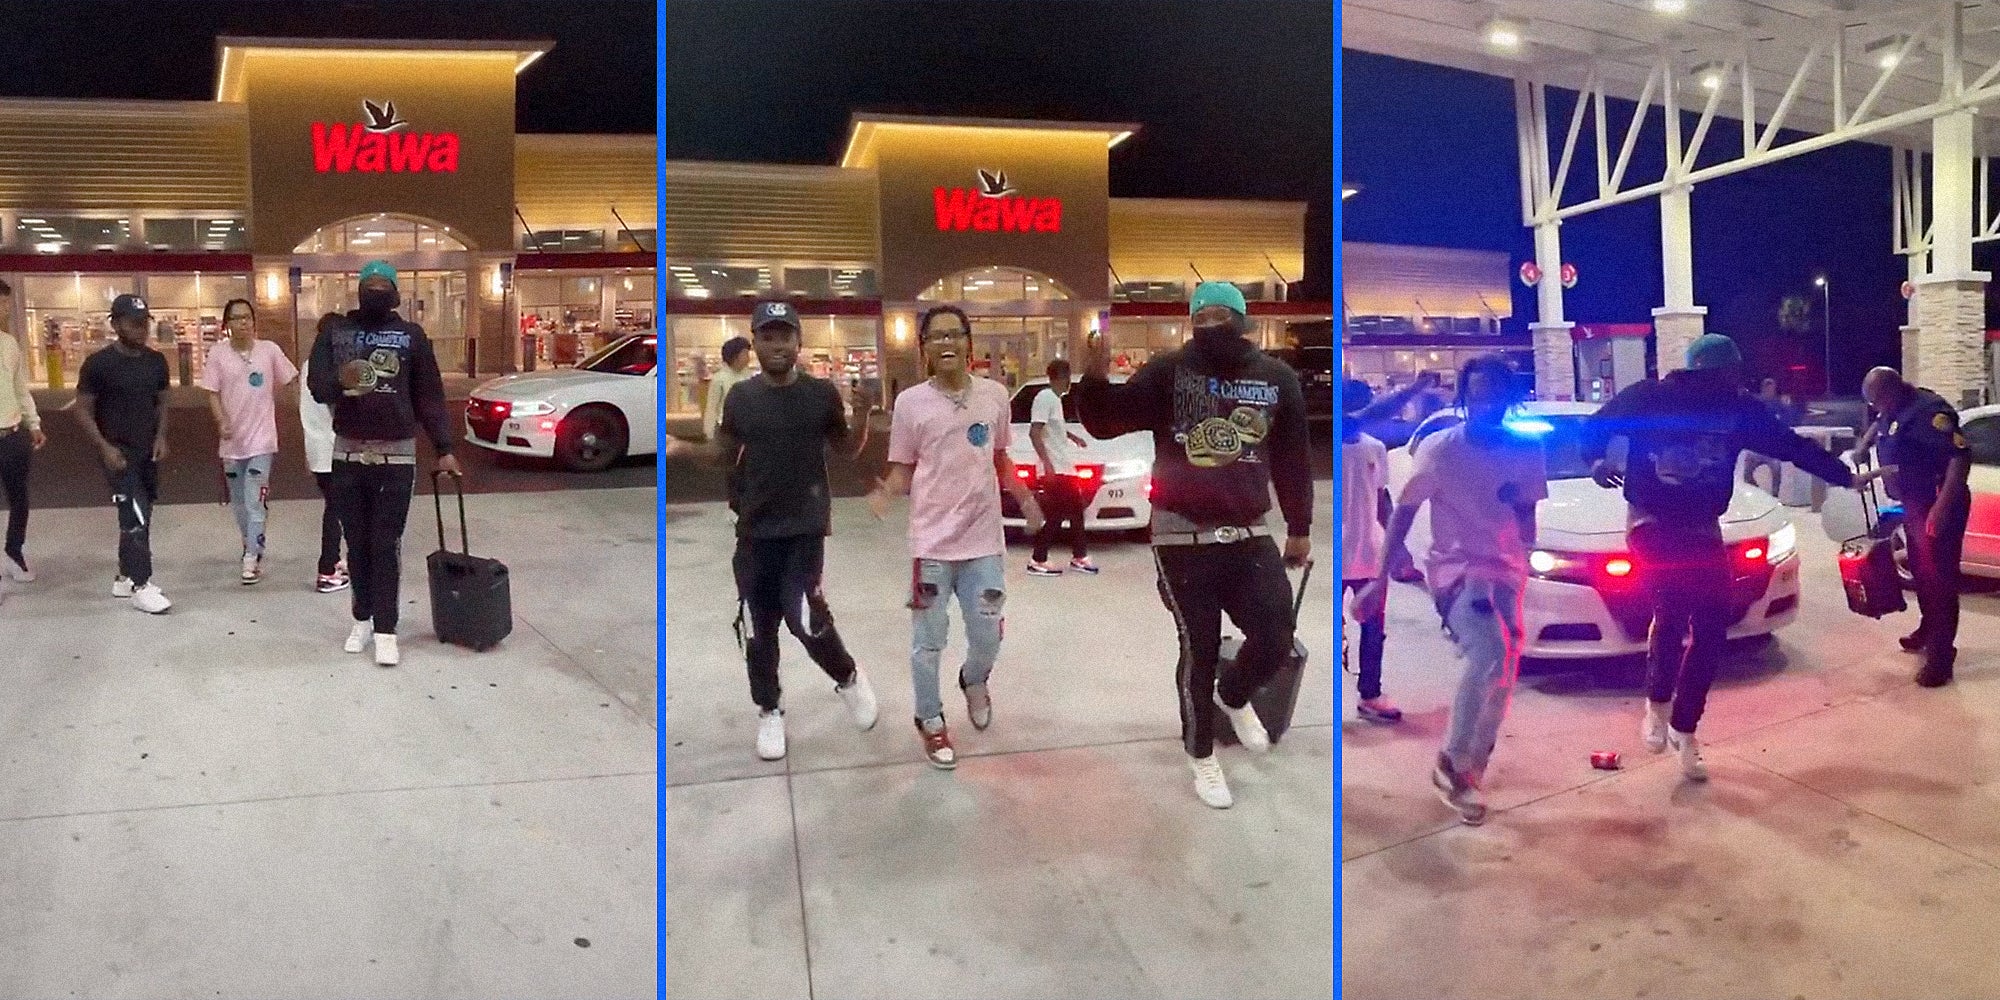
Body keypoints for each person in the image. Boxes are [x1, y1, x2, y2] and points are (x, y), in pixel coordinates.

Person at [1074, 282, 1314, 809]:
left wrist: (1299, 525)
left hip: (1250, 533)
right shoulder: (1168, 371)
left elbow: (1294, 456)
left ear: (1243, 320)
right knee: (1198, 649)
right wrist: (1093, 374)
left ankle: (1234, 696)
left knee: (1275, 634)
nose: (1212, 322)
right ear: (1190, 322)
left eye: (1222, 313)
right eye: (1201, 314)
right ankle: (1201, 756)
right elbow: (1106, 420)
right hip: (1181, 537)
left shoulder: (1276, 379)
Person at [1581, 334, 1860, 780]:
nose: (1736, 383)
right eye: (1730, 376)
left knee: (1713, 627)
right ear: (1707, 374)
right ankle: (1656, 704)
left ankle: (1684, 728)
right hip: (1651, 519)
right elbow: (1593, 428)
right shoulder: (1651, 397)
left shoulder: (1738, 408)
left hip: (1703, 526)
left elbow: (1790, 446)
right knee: (1672, 609)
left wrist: (1843, 476)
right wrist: (1596, 461)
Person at [1353, 355, 1545, 825]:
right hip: (1456, 571)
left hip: (1506, 571)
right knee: (1488, 653)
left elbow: (1525, 515)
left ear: (1510, 400)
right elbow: (1404, 512)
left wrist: (1527, 561)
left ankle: (1472, 768)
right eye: (1477, 395)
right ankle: (1451, 764)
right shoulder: (1440, 449)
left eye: (1496, 396)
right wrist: (1380, 578)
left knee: (1505, 669)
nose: (1487, 405)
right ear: (1464, 398)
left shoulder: (1526, 451)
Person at [867, 305, 1044, 770]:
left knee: (987, 634)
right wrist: (887, 492)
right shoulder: (910, 404)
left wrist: (1026, 501)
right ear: (924, 348)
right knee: (928, 642)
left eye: (954, 334)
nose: (946, 343)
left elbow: (1001, 457)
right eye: (936, 337)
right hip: (932, 546)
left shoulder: (994, 396)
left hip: (984, 541)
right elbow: (904, 465)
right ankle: (930, 720)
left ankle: (974, 679)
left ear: (969, 342)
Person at [717, 301, 879, 761]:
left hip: (804, 526)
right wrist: (681, 450)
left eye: (784, 335)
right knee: (757, 627)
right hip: (754, 529)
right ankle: (769, 710)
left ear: (798, 342)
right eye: (767, 336)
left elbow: (844, 449)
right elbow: (725, 453)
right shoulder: (741, 398)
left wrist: (863, 415)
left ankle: (848, 676)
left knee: (804, 616)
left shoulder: (821, 394)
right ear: (754, 341)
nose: (776, 345)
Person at [308, 261, 461, 667]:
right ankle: (362, 618)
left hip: (397, 455)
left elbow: (429, 394)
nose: (375, 292)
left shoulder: (411, 337)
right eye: (369, 286)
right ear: (359, 290)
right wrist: (346, 379)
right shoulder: (335, 332)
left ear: (394, 292)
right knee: (356, 544)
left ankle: (387, 629)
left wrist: (444, 446)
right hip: (348, 453)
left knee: (385, 543)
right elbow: (317, 386)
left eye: (383, 286)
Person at [1860, 366, 1971, 687]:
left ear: (1889, 393)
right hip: (1914, 505)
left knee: (1940, 579)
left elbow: (1958, 458)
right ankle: (1928, 628)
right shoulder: (1895, 408)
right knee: (1923, 572)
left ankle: (1941, 657)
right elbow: (1883, 426)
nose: (1876, 410)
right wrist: (1865, 446)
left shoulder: (1929, 413)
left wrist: (1940, 508)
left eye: (1876, 402)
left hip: (1937, 504)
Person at [74, 294, 173, 614]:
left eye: (145, 323)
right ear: (115, 324)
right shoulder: (99, 364)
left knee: (143, 513)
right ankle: (142, 585)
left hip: (148, 450)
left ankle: (124, 575)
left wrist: (161, 436)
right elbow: (82, 410)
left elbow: (162, 402)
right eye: (134, 323)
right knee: (135, 516)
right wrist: (103, 447)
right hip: (117, 452)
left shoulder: (156, 361)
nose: (141, 330)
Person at [200, 298, 298, 585]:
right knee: (240, 502)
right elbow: (211, 392)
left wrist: (301, 412)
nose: (243, 323)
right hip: (232, 443)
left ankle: (252, 557)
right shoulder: (218, 355)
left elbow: (290, 379)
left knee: (256, 500)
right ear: (227, 325)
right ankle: (250, 543)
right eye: (236, 318)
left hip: (262, 442)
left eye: (247, 317)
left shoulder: (269, 351)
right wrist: (221, 421)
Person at [1340, 380, 1400, 723]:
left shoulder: (1375, 448)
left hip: (1369, 555)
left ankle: (1371, 694)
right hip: (1338, 556)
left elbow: (1381, 501)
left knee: (1374, 628)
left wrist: (1395, 548)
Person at [1026, 358, 1097, 577]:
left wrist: (1072, 436)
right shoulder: (1045, 398)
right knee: (1058, 515)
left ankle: (1079, 555)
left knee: (1075, 512)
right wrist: (1047, 465)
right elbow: (1035, 432)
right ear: (1062, 377)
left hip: (1063, 467)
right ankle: (1038, 559)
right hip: (1056, 468)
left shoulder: (1054, 400)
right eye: (1068, 377)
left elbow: (1053, 428)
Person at [0, 277, 45, 597]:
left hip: (13, 434)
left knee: (19, 498)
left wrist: (34, 423)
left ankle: (13, 552)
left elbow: (19, 389)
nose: (5, 309)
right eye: (1, 303)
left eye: (6, 303)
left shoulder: (9, 344)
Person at [299, 314, 350, 594]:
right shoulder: (332, 368)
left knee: (336, 508)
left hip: (317, 450)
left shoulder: (309, 365)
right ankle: (327, 569)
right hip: (335, 450)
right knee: (337, 510)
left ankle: (334, 563)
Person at [1743, 377, 1793, 490]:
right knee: (1747, 475)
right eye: (1767, 388)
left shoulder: (1779, 403)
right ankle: (1758, 494)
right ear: (1763, 388)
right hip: (1755, 450)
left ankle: (1774, 497)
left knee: (1776, 471)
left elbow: (1788, 421)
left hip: (1772, 451)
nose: (1769, 390)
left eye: (1771, 388)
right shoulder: (1756, 402)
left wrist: (1786, 407)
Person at [702, 335, 754, 442]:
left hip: (748, 428)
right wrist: (709, 435)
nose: (748, 357)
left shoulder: (749, 376)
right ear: (734, 356)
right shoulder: (719, 378)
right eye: (745, 354)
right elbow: (711, 408)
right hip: (726, 429)